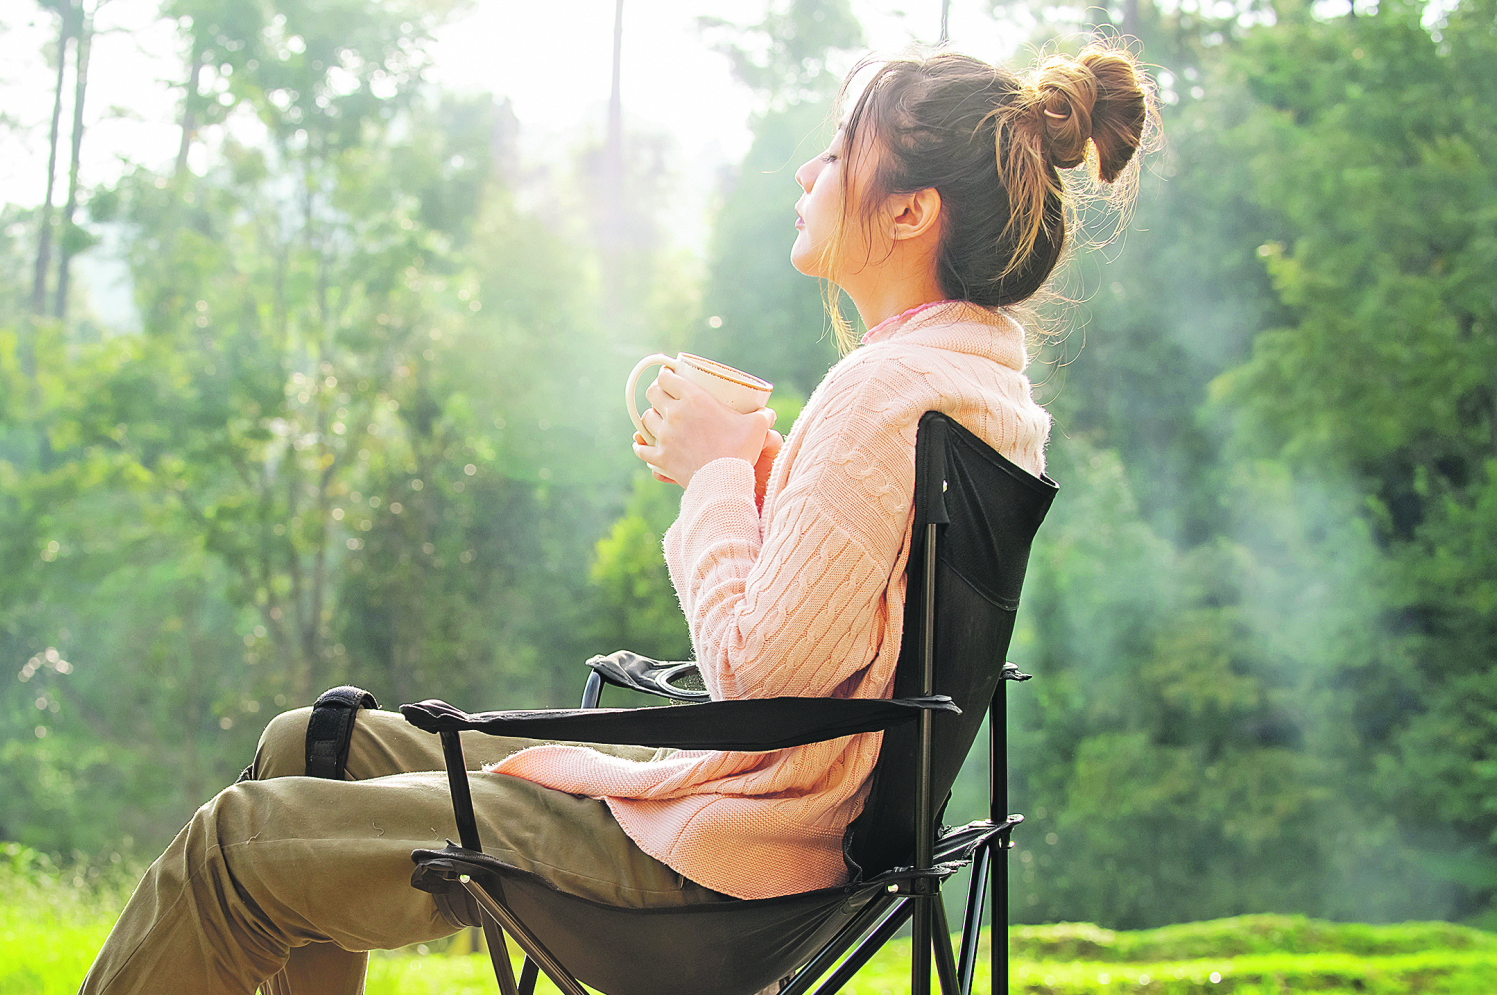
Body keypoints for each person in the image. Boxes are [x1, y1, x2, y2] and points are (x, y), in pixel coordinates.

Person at [77, 41, 1155, 995]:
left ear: (910, 211)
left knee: (233, 847)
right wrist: (767, 474)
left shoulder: (880, 394)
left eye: (837, 151)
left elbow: (757, 674)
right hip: (779, 832)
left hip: (721, 867)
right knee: (309, 744)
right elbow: (853, 624)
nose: (807, 170)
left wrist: (714, 474)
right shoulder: (974, 386)